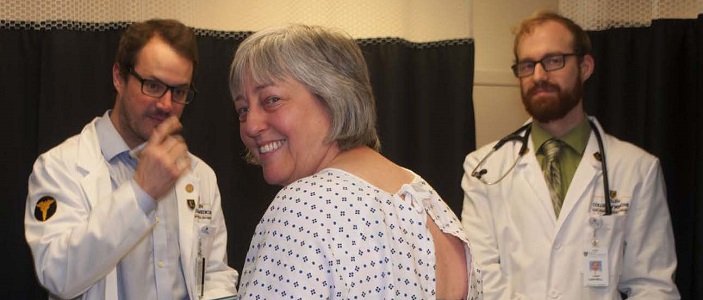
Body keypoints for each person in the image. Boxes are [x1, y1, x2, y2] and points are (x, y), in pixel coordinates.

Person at [229, 24, 482, 299]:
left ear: (333, 96)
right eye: (243, 109)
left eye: (271, 100)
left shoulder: (305, 208)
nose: (251, 125)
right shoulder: (431, 207)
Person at [460, 10, 679, 299]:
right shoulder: (483, 169)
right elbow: (481, 277)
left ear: (585, 67)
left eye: (553, 61)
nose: (538, 75)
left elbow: (653, 285)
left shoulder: (637, 169)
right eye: (527, 65)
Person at [25, 19, 238, 300]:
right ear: (118, 77)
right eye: (152, 85)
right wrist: (141, 194)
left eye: (179, 91)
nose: (165, 104)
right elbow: (57, 274)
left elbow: (212, 274)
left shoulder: (200, 175)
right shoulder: (58, 167)